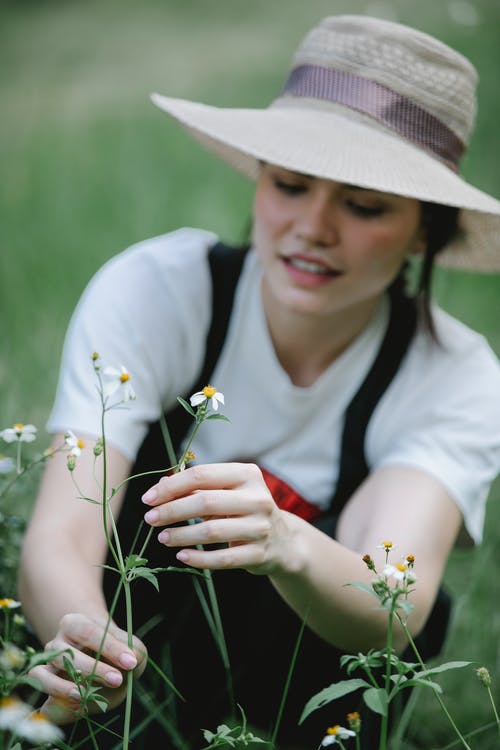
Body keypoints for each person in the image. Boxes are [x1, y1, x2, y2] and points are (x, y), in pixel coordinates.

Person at [19, 13, 500, 750]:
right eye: (290, 185)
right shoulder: (159, 292)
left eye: (364, 205)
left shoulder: (453, 376)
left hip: (318, 694)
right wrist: (84, 637)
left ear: (426, 230)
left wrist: (286, 541)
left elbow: (394, 605)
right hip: (139, 662)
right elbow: (64, 533)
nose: (313, 226)